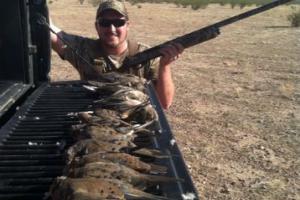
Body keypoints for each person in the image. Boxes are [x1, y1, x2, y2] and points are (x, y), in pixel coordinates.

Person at [50, 0, 183, 109]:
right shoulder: (84, 49)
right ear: (96, 26)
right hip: (95, 120)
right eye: (105, 23)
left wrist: (165, 66)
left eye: (119, 23)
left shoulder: (146, 55)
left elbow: (164, 103)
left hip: (133, 122)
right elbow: (50, 31)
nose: (111, 29)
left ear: (127, 25)